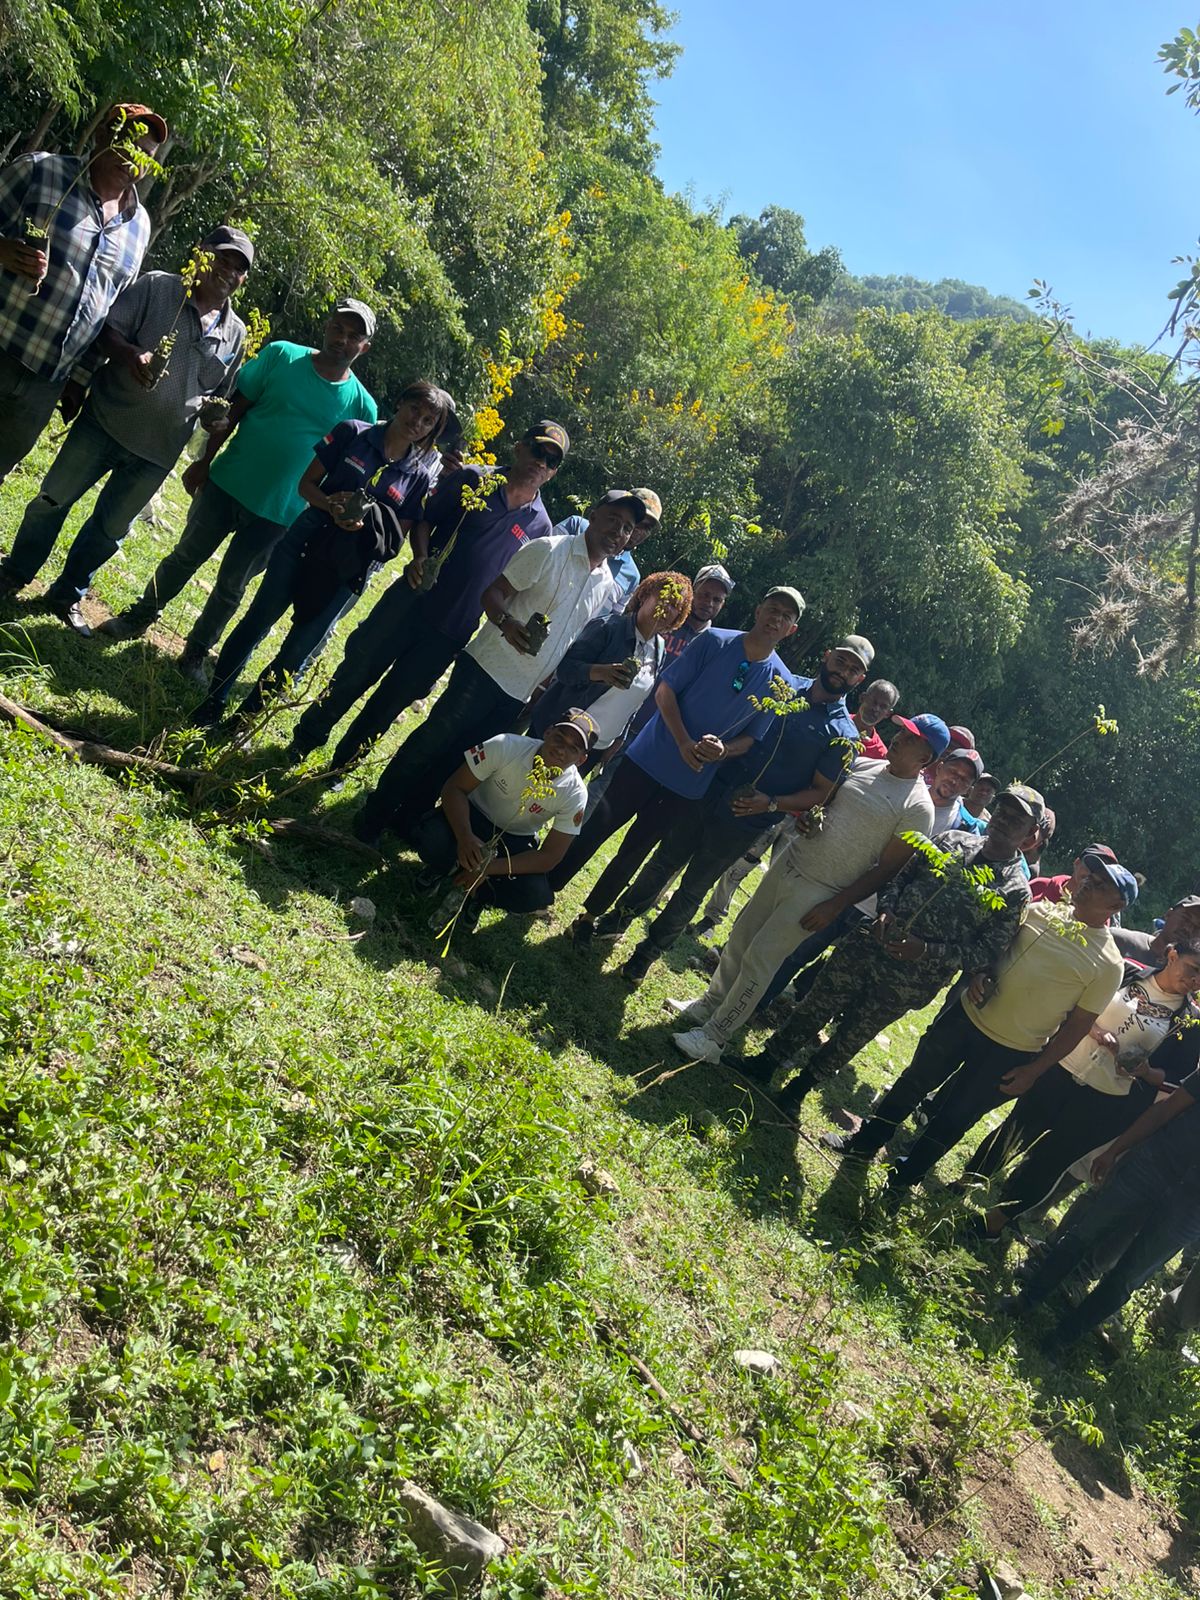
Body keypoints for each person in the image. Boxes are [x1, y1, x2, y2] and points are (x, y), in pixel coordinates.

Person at [100, 301, 378, 680]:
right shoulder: (282, 355)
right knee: (184, 556)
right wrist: (203, 462)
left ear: (364, 347)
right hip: (227, 484)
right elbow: (235, 409)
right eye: (338, 328)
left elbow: (345, 471)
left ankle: (196, 653)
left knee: (232, 586)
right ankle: (140, 614)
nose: (342, 340)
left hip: (279, 513)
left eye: (354, 336)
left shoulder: (363, 406)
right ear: (327, 326)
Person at [834, 849, 1135, 1195]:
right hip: (968, 1016)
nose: (1087, 884)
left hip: (1012, 1052)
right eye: (1090, 877)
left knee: (956, 1117)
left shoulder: (1108, 963)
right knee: (914, 1081)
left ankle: (903, 1181)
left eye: (1099, 886)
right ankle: (865, 1143)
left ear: (1115, 908)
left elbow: (1078, 1026)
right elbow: (992, 950)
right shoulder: (1041, 912)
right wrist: (980, 973)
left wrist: (1035, 1070)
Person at [0, 227, 251, 633]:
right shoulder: (159, 288)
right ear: (202, 252)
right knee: (52, 500)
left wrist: (214, 418)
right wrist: (132, 354)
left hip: (157, 453)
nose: (229, 271)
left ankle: (67, 593)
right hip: (105, 421)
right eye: (223, 258)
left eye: (240, 268)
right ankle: (16, 571)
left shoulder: (236, 334)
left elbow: (217, 393)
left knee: (110, 530)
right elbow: (107, 330)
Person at [352, 491, 633, 846]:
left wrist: (539, 689)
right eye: (612, 519)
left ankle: (410, 818)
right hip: (486, 667)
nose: (618, 531)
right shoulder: (549, 549)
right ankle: (374, 815)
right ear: (593, 515)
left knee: (462, 757)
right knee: (432, 741)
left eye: (626, 528)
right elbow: (493, 594)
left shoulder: (605, 584)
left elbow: (566, 638)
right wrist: (507, 623)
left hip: (519, 690)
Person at [669, 713, 947, 1066]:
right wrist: (807, 822)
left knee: (762, 957)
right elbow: (824, 807)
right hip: (791, 861)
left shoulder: (918, 807)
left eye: (910, 738)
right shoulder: (864, 764)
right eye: (901, 731)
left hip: (823, 890)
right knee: (741, 936)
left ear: (925, 758)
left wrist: (836, 906)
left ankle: (715, 1037)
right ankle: (709, 1005)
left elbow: (886, 870)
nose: (897, 738)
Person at [286, 421, 566, 770]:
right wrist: (420, 558)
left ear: (554, 473)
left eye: (552, 461)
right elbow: (423, 520)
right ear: (520, 447)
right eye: (538, 450)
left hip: (452, 628)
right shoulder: (473, 479)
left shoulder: (541, 527)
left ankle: (342, 765)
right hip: (412, 598)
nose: (542, 462)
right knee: (356, 671)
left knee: (393, 701)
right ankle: (304, 740)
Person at [755, 785, 1041, 1114]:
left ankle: (799, 1089)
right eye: (1002, 811)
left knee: (853, 1033)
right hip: (869, 943)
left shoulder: (1013, 891)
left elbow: (985, 953)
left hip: (911, 979)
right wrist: (886, 909)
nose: (1004, 820)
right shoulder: (952, 842)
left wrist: (926, 950)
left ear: (1031, 835)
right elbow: (900, 876)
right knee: (817, 1003)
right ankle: (767, 1061)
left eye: (1016, 819)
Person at [548, 587, 805, 941]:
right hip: (648, 757)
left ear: (791, 629)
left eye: (786, 617)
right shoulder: (714, 641)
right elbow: (665, 690)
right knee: (597, 826)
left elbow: (752, 738)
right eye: (772, 609)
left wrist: (723, 750)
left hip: (688, 783)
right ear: (758, 609)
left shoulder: (782, 683)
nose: (776, 619)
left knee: (635, 850)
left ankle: (590, 916)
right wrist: (683, 741)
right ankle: (545, 888)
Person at [608, 637, 871, 981]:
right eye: (841, 661)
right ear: (827, 656)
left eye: (854, 670)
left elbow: (821, 793)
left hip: (749, 816)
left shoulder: (842, 734)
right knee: (664, 861)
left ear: (859, 681)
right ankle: (618, 920)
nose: (843, 671)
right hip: (710, 787)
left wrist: (773, 803)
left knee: (694, 886)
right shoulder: (783, 688)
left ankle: (647, 953)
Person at [190, 383, 450, 726]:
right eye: (415, 409)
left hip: (349, 566)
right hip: (305, 539)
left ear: (432, 430)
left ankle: (243, 721)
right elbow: (306, 485)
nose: (418, 422)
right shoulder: (354, 433)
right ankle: (214, 702)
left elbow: (395, 539)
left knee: (298, 649)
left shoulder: (416, 476)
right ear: (401, 403)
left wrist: (367, 523)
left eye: (429, 420)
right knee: (257, 621)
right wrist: (331, 505)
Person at [970, 938, 1200, 1239]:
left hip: (1110, 1101)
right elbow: (1078, 1006)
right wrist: (1093, 1030)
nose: (1195, 981)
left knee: (1054, 1158)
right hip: (1064, 1067)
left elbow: (1177, 1079)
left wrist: (1146, 1071)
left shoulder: (1190, 1022)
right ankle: (968, 1181)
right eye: (1193, 969)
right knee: (1017, 1128)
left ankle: (996, 1220)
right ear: (1172, 955)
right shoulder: (1127, 971)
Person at [0, 103, 165, 484]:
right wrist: (4, 251)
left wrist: (80, 378)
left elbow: (109, 308)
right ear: (102, 135)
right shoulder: (41, 171)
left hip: (45, 385)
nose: (133, 157)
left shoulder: (138, 226)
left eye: (146, 154)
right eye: (127, 141)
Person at [1001, 1072, 1200, 1358]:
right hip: (1155, 1166)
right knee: (1083, 1233)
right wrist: (1116, 1150)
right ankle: (1026, 1299)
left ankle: (1062, 1339)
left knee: (1127, 1277)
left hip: (1190, 1209)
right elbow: (1165, 1111)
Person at [414, 712, 595, 932]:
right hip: (472, 816)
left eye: (573, 748)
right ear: (547, 732)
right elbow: (454, 788)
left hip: (513, 841)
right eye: (559, 737)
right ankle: (442, 868)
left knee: (534, 895)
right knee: (433, 838)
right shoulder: (506, 744)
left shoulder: (576, 793)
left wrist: (488, 869)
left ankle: (479, 895)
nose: (560, 749)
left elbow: (550, 856)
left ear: (582, 759)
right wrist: (464, 837)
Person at [528, 571, 693, 756]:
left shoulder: (659, 649)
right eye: (663, 598)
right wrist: (598, 672)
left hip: (596, 745)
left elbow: (635, 701)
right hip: (561, 731)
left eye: (674, 605)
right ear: (645, 595)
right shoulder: (608, 627)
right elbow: (565, 669)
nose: (666, 608)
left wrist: (618, 740)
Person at [1111, 894, 1200, 967]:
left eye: (1197, 927)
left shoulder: (1188, 980)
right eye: (1185, 918)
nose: (1188, 928)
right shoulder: (1119, 940)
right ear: (1168, 914)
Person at [853, 679, 899, 760]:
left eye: (883, 706)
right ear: (862, 698)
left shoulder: (880, 757)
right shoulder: (835, 720)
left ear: (888, 714)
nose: (876, 708)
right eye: (873, 701)